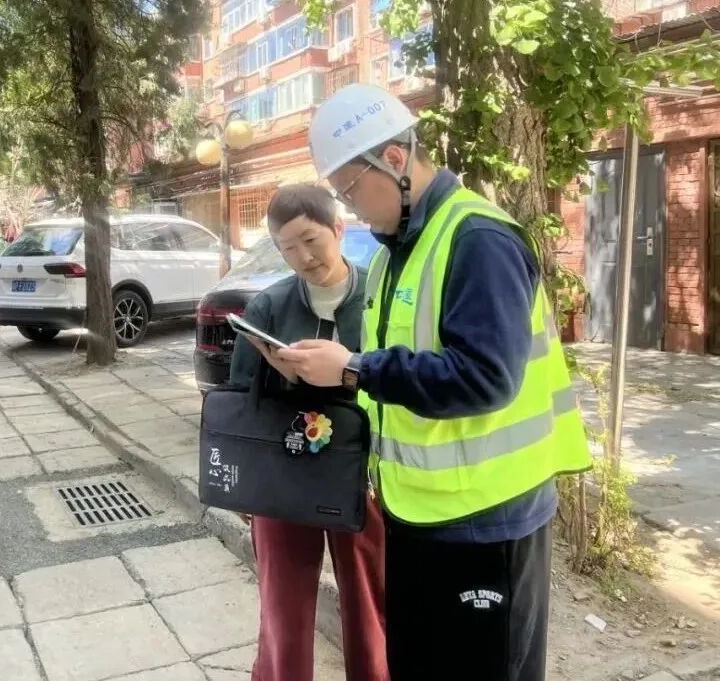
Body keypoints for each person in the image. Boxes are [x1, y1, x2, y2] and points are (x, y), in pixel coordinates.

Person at [272, 84, 592, 681]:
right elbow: (402, 370)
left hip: (488, 522)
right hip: (417, 515)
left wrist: (353, 366)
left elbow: (483, 377)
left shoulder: (478, 239)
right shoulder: (397, 250)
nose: (353, 212)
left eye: (350, 192)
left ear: (394, 160)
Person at [229, 184, 388, 681]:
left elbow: (398, 378)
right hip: (284, 473)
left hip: (361, 472)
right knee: (283, 607)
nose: (303, 257)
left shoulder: (378, 298)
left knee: (370, 601)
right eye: (287, 248)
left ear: (339, 228)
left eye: (310, 239)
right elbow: (240, 398)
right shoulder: (269, 306)